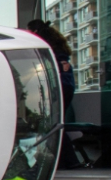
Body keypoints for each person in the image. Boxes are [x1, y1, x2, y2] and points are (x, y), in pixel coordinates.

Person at [28, 19, 78, 168]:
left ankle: (68, 161)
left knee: (51, 126)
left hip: (57, 89)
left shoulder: (47, 53)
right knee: (54, 124)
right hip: (65, 88)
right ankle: (67, 161)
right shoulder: (59, 52)